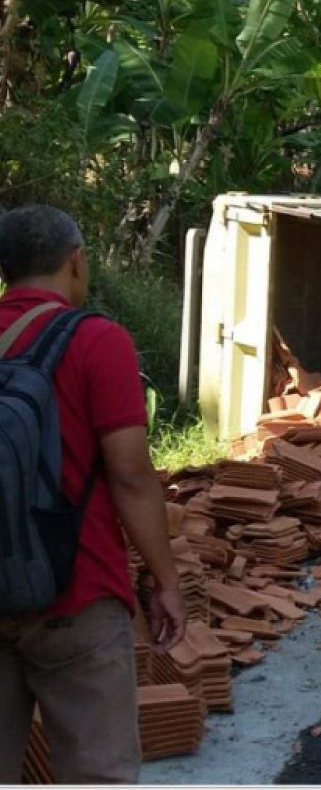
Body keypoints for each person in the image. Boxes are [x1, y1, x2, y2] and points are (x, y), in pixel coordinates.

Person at [0, 205, 186, 782]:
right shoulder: (97, 341)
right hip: (76, 594)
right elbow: (130, 475)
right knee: (98, 774)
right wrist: (166, 582)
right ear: (76, 261)